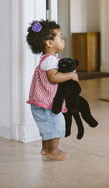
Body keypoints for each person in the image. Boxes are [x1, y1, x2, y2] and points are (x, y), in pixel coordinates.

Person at [26, 19, 79, 161]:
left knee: (47, 128)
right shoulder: (50, 60)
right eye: (60, 37)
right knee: (56, 125)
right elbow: (53, 77)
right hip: (47, 103)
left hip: (41, 102)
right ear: (49, 43)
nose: (64, 40)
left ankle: (45, 148)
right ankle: (53, 150)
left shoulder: (48, 58)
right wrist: (71, 75)